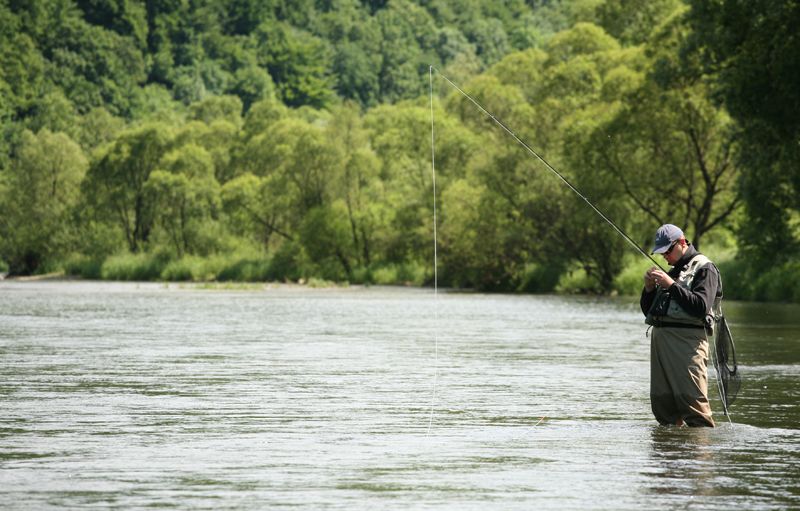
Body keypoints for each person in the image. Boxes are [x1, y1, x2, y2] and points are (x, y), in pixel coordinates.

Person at [641, 224, 722, 427]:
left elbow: (700, 307)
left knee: (694, 406)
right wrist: (649, 289)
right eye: (662, 253)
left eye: (668, 251)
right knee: (663, 406)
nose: (665, 256)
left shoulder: (705, 268)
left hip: (688, 345)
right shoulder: (672, 271)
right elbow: (649, 311)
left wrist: (671, 285)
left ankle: (700, 446)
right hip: (661, 346)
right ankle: (670, 447)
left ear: (682, 242)